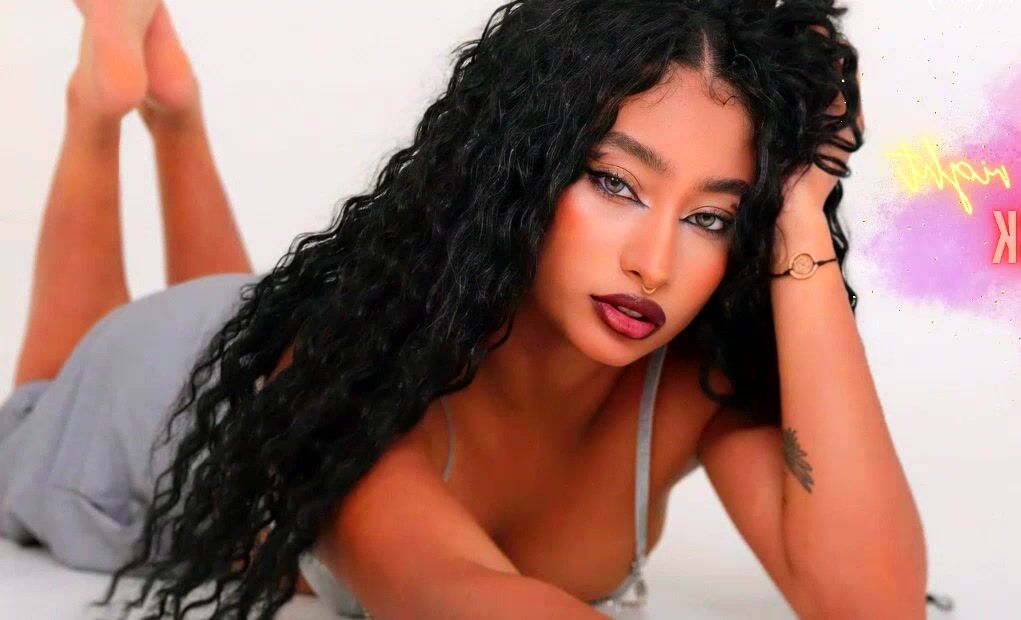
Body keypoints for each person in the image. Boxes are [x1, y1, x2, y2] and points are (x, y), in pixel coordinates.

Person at [0, 0, 931, 618]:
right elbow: (460, 596)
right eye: (615, 183)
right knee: (38, 403)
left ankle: (172, 112)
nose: (653, 264)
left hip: (263, 332)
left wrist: (802, 208)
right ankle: (99, 111)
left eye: (710, 216)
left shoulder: (688, 391)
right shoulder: (368, 403)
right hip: (156, 392)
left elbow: (873, 605)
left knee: (244, 311)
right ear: (523, 168)